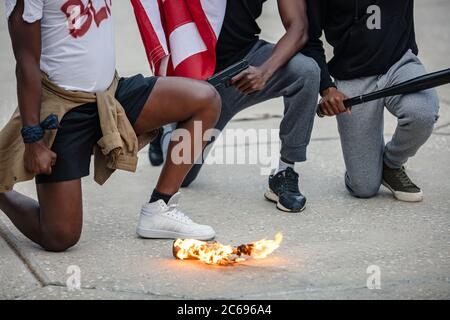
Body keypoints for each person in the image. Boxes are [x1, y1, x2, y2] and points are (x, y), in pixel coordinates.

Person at [0, 0, 222, 252]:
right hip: (64, 110)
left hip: (110, 95)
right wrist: (33, 140)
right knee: (60, 236)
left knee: (205, 100)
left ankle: (160, 207)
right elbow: (26, 62)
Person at [150, 0, 320, 213]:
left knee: (306, 71)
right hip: (195, 76)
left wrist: (264, 72)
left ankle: (285, 171)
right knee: (183, 176)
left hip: (243, 65)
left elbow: (299, 27)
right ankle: (165, 127)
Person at [302, 0, 440, 202]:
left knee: (422, 113)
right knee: (364, 187)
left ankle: (391, 164)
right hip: (352, 74)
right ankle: (367, 169)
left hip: (399, 64)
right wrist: (327, 87)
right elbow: (308, 39)